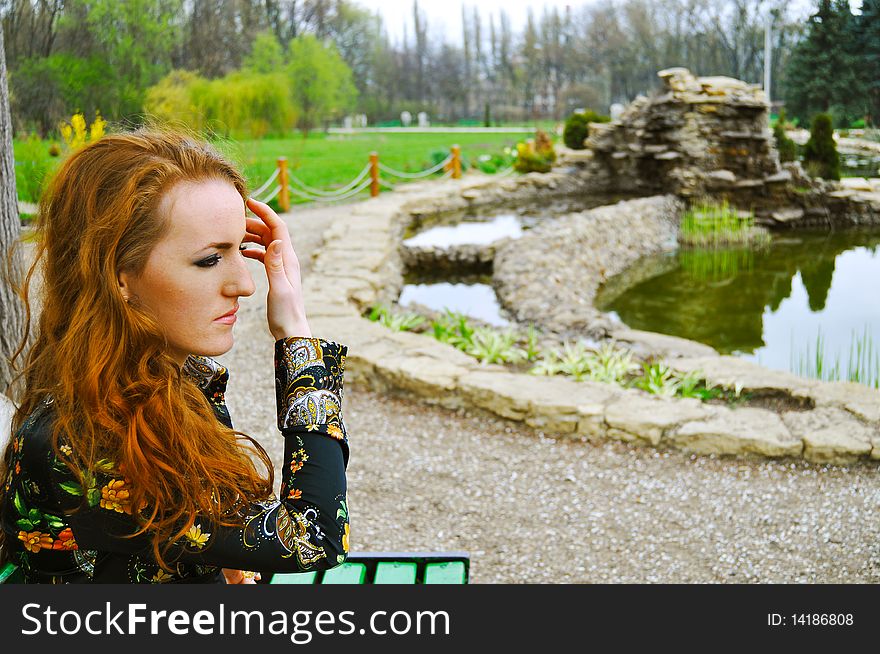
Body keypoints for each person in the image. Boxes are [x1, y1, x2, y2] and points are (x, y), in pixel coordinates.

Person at [0, 129, 349, 583]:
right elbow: (312, 538)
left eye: (241, 250)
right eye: (209, 260)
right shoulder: (80, 441)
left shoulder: (176, 379)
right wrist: (295, 334)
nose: (244, 285)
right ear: (119, 277)